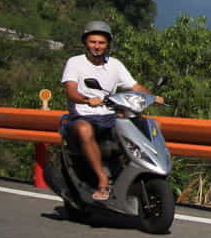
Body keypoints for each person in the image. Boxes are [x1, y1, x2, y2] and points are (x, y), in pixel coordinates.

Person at [60, 20, 162, 201]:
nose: (97, 47)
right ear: (85, 42)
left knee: (144, 126)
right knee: (84, 129)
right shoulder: (75, 62)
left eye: (101, 43)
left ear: (107, 45)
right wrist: (86, 99)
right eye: (93, 42)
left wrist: (152, 97)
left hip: (109, 116)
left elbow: (134, 86)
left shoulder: (115, 64)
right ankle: (102, 179)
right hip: (83, 116)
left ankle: (138, 174)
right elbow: (70, 89)